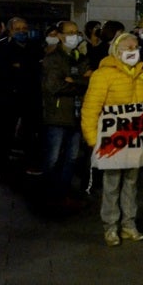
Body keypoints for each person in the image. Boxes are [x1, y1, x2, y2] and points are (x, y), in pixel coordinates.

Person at [81, 32, 143, 245]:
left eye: (135, 47)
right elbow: (91, 108)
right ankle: (110, 227)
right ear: (116, 51)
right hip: (112, 141)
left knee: (131, 183)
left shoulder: (142, 75)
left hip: (135, 139)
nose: (133, 51)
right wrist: (92, 140)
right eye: (128, 48)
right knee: (112, 184)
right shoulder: (103, 75)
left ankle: (129, 225)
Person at [40, 21, 91, 209]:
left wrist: (73, 80)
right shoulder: (53, 59)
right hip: (58, 115)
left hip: (77, 115)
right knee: (53, 158)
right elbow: (54, 86)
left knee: (72, 157)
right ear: (59, 35)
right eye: (68, 33)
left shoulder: (80, 57)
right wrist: (80, 82)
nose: (73, 36)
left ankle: (64, 192)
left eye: (76, 32)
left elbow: (91, 80)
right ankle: (49, 194)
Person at [0, 17, 44, 181]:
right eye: (17, 29)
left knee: (29, 134)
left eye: (24, 28)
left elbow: (36, 69)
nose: (22, 31)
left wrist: (22, 67)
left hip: (30, 97)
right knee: (4, 133)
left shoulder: (34, 47)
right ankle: (1, 166)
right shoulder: (1, 47)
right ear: (10, 30)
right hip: (7, 98)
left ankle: (29, 164)